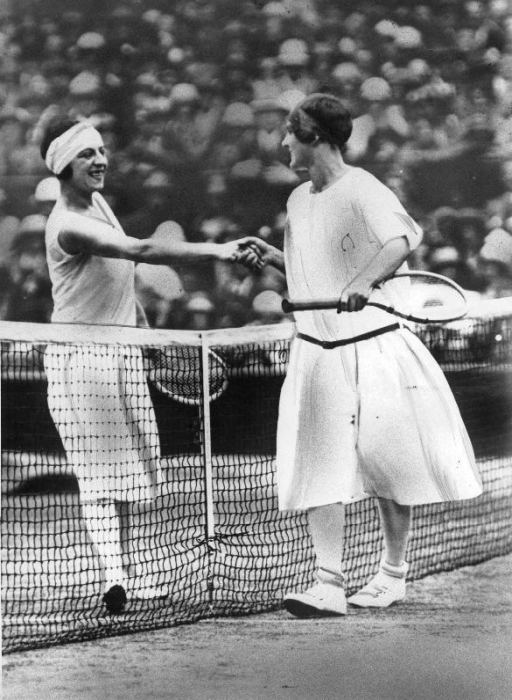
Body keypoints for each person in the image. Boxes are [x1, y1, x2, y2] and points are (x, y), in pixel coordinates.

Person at [244, 93, 482, 617]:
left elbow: (401, 239)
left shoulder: (363, 187)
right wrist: (274, 260)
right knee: (317, 465)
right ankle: (328, 582)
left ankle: (392, 574)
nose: (282, 140)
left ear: (316, 138)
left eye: (289, 130)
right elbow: (314, 277)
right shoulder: (298, 200)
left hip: (373, 347)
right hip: (317, 353)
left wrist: (364, 279)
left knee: (388, 465)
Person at [39, 116, 261, 615]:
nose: (99, 161)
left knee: (124, 476)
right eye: (86, 155)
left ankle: (126, 576)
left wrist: (145, 333)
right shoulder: (68, 224)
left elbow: (124, 272)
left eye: (100, 151)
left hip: (120, 351)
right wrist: (218, 249)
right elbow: (139, 249)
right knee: (98, 479)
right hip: (81, 362)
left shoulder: (96, 202)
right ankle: (115, 579)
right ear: (62, 167)